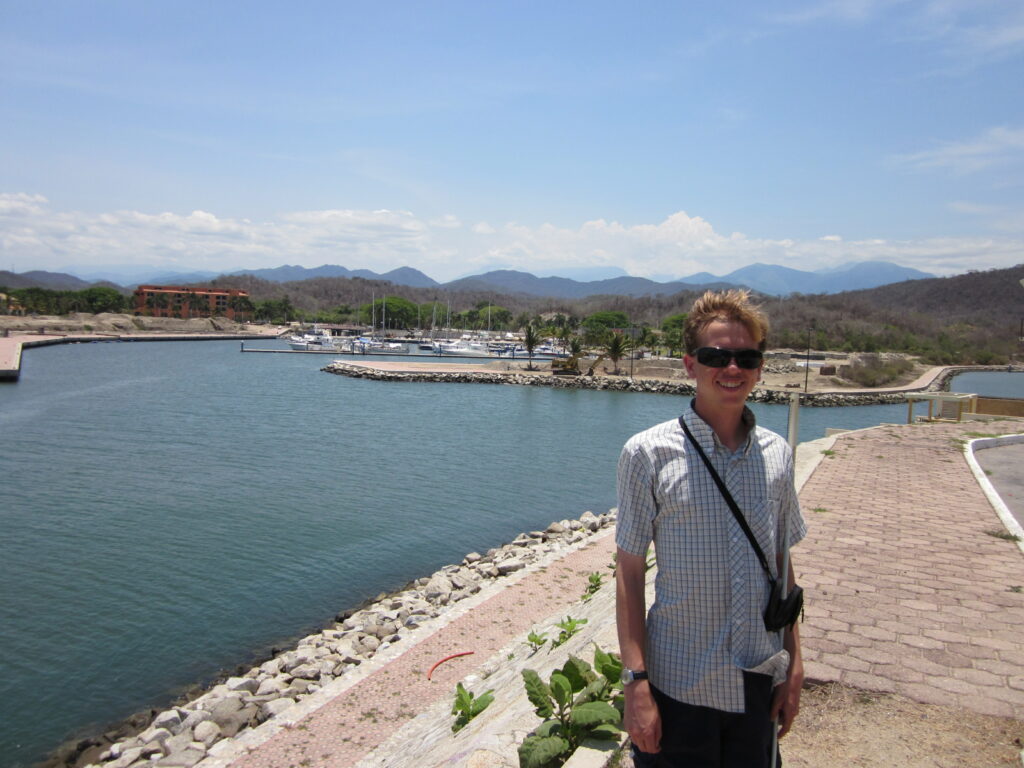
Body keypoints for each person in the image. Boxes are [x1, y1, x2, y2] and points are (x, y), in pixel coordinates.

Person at [616, 289, 806, 767]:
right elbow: (630, 574)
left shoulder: (778, 454)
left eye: (746, 356)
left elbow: (783, 568)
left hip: (758, 679)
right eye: (715, 356)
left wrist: (795, 665)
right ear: (689, 365)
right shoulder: (647, 453)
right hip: (679, 683)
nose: (732, 368)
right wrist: (635, 685)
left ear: (760, 366)